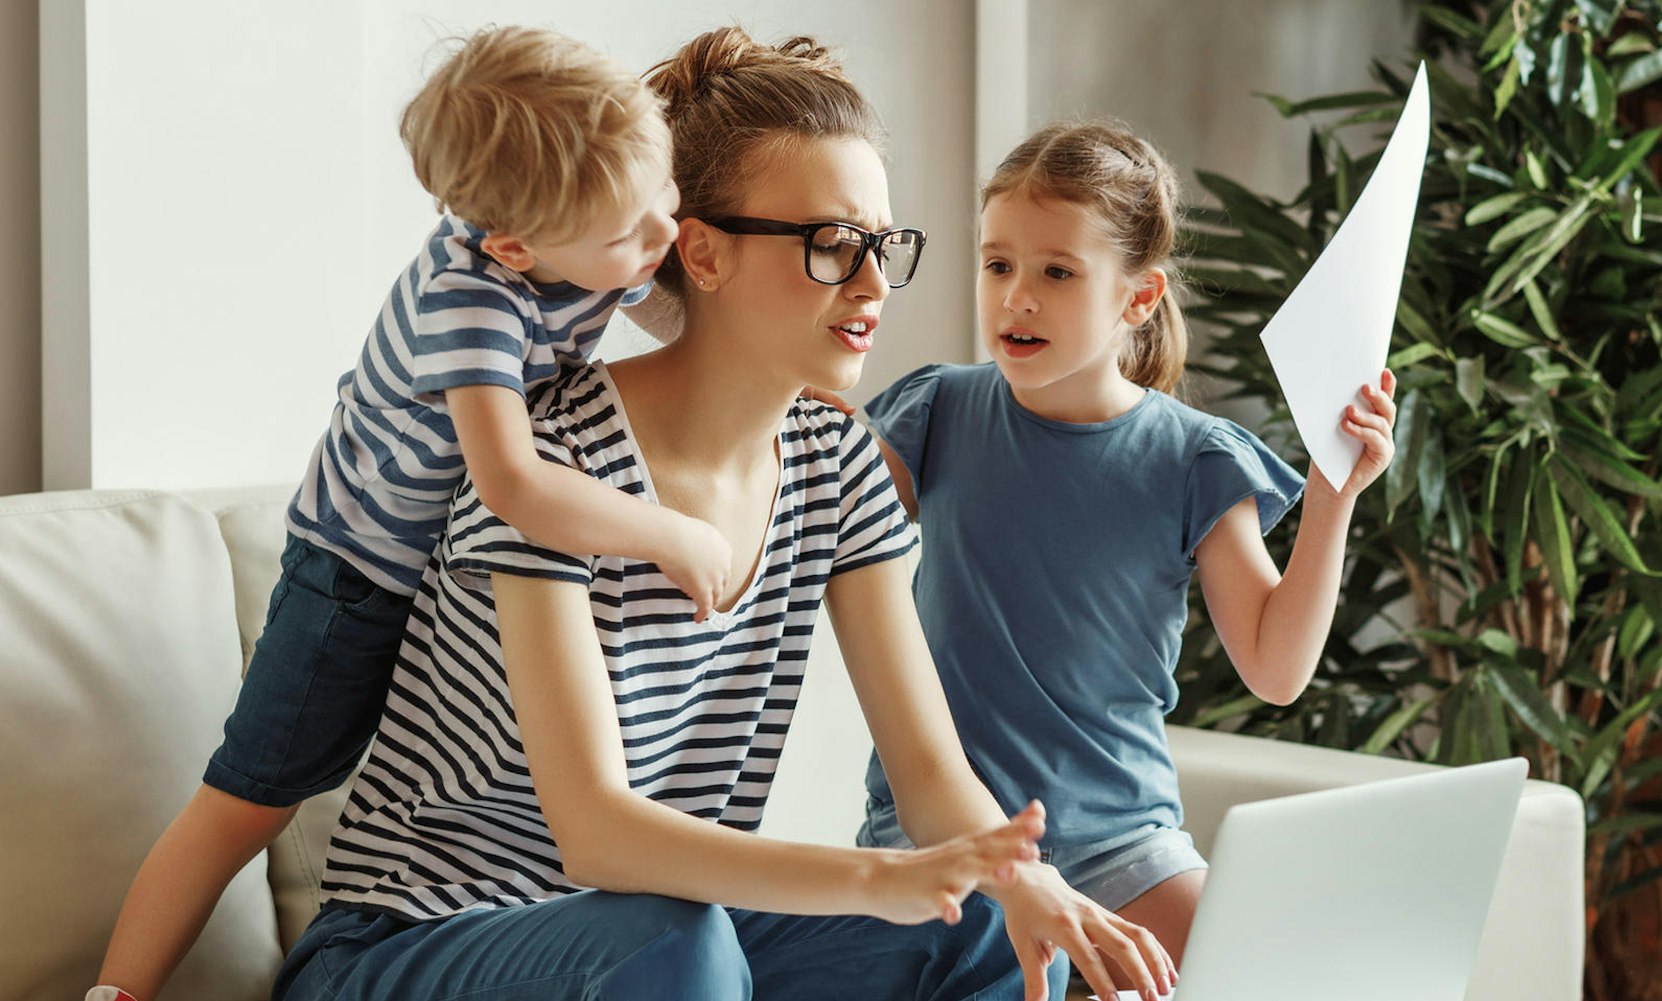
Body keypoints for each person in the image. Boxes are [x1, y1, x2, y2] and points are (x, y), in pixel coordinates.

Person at [268, 28, 1175, 1001]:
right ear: (700, 251)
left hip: (660, 941)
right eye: (832, 245)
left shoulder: (838, 466)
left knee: (977, 928)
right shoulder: (553, 457)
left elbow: (927, 773)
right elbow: (595, 832)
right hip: (411, 941)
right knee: (678, 939)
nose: (872, 284)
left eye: (882, 245)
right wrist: (877, 876)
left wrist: (1026, 880)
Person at [89, 27, 730, 1001]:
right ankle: (116, 990)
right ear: (512, 246)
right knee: (249, 798)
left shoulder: (601, 225)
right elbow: (513, 482)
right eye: (628, 235)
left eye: (666, 197)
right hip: (354, 577)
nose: (660, 239)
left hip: (449, 575)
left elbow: (691, 322)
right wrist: (669, 532)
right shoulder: (467, 300)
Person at [852, 119, 1401, 982]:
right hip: (943, 836)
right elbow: (813, 537)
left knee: (1256, 971)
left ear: (1138, 298)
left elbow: (1275, 669)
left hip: (1122, 844)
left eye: (1057, 272)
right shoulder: (935, 413)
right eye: (998, 265)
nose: (1016, 297)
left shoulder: (1197, 459)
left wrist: (1334, 497)